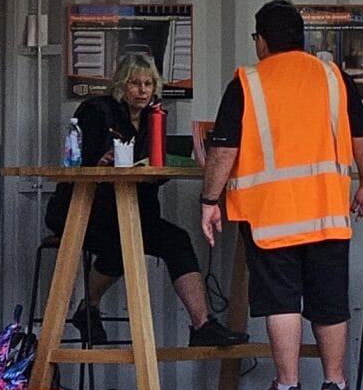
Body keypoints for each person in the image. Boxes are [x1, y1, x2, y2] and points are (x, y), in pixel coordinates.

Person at [198, 0, 363, 390]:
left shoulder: (247, 82)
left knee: (281, 299)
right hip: (329, 211)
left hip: (272, 215)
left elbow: (223, 149)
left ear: (261, 41)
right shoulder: (334, 77)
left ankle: (287, 387)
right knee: (330, 298)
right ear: (301, 38)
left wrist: (210, 200)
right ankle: (335, 385)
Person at [48, 51, 244, 352]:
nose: (142, 90)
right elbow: (78, 163)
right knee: (123, 240)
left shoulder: (155, 117)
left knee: (175, 240)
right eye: (135, 84)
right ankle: (88, 306)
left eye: (148, 84)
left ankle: (202, 324)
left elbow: (153, 168)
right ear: (121, 86)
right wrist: (100, 161)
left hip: (133, 211)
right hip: (87, 210)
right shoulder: (96, 110)